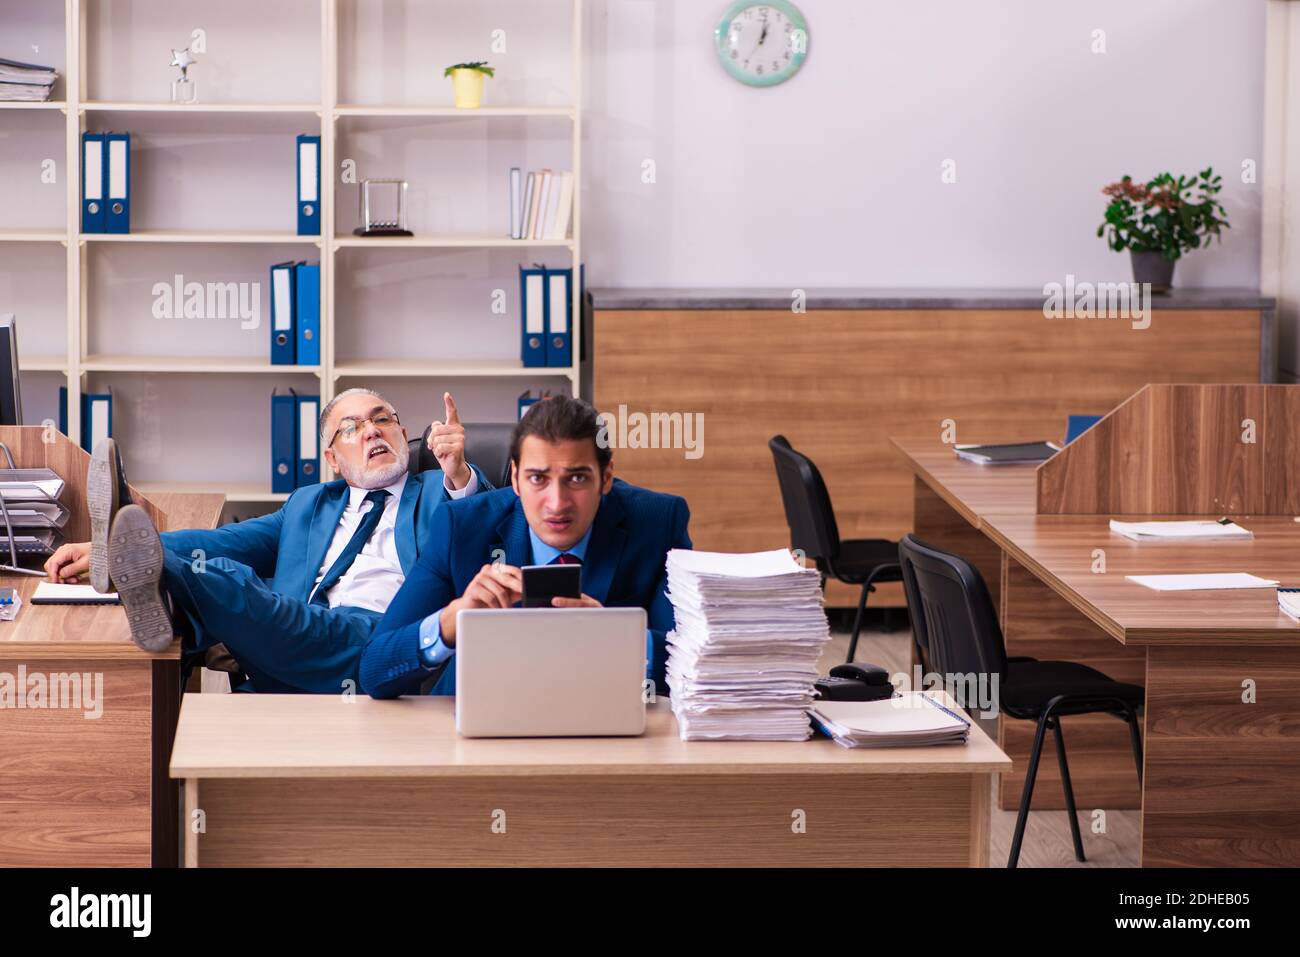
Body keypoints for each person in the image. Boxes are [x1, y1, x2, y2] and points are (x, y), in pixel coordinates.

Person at [44, 389, 490, 693]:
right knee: (221, 568)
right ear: (333, 459)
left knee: (229, 585)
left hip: (377, 641)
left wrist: (459, 474)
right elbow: (224, 541)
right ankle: (145, 573)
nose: (372, 431)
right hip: (294, 634)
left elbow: (487, 536)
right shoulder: (309, 504)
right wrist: (115, 546)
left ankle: (149, 576)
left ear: (401, 433)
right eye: (351, 427)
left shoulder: (440, 491)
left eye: (382, 420)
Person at [360, 394, 691, 699]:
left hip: (605, 727)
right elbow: (373, 670)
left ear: (605, 478)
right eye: (538, 479)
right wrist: (452, 620)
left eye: (576, 478)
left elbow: (694, 664)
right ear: (516, 478)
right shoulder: (460, 527)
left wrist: (621, 639)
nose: (557, 503)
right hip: (479, 727)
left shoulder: (657, 523)